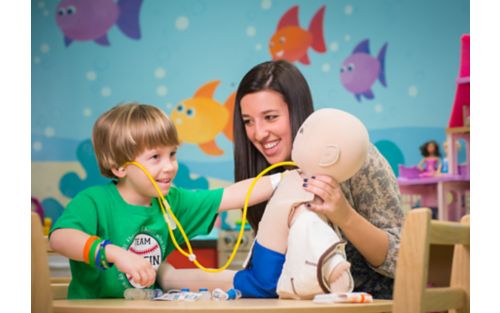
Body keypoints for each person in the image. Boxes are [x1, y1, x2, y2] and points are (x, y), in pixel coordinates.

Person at [49, 103, 278, 299]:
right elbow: (60, 238)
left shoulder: (171, 201)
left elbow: (231, 195)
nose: (169, 166)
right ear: (119, 167)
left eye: (172, 154)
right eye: (155, 157)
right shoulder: (94, 201)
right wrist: (116, 254)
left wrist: (286, 179)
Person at [231, 60, 404, 299]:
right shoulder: (267, 175)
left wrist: (343, 215)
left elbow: (399, 259)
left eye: (270, 117)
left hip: (367, 303)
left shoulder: (353, 157)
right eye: (248, 121)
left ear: (297, 110)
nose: (258, 133)